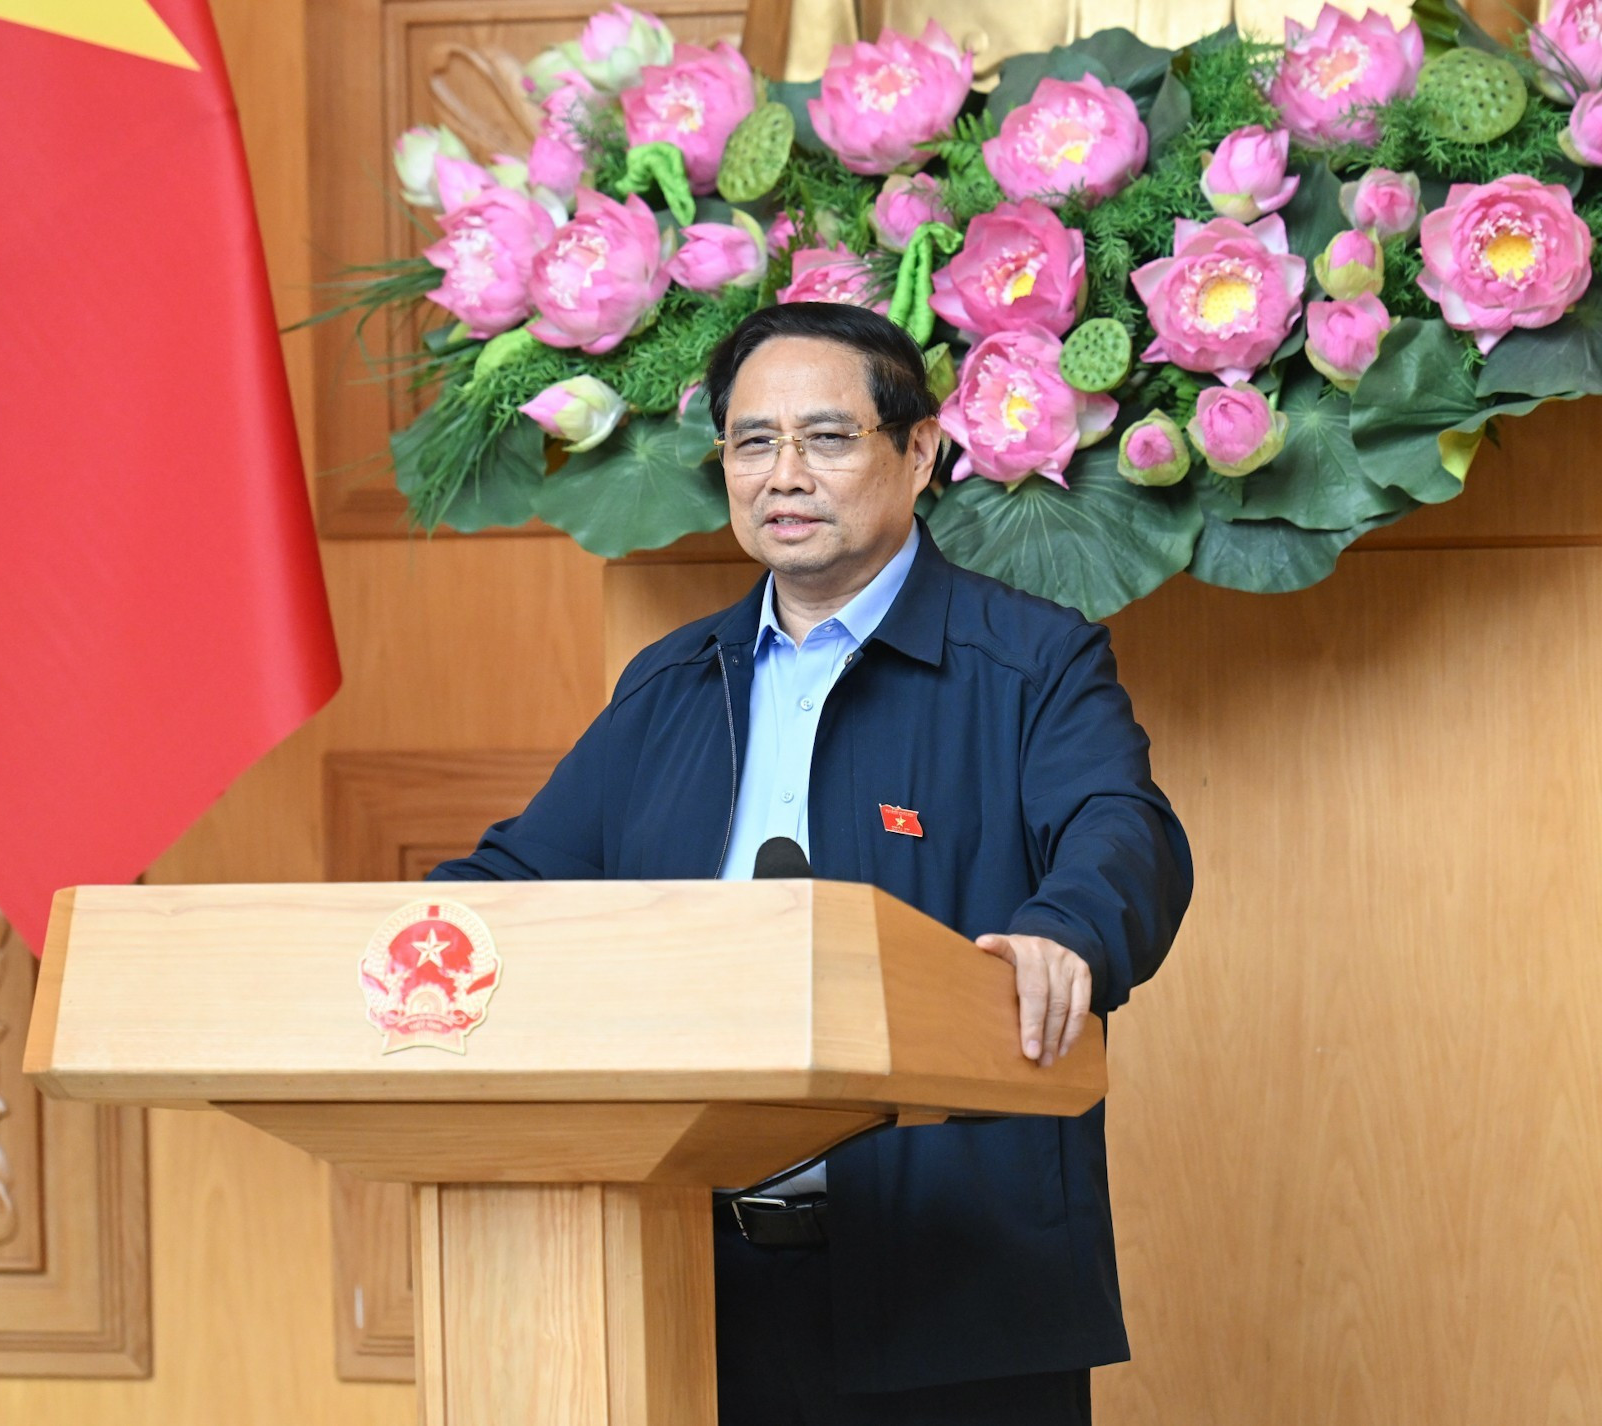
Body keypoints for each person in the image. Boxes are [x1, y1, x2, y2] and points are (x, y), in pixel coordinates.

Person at [429, 301, 1194, 1425]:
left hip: (953, 1283)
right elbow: (516, 881)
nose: (783, 473)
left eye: (827, 437)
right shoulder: (671, 681)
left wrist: (1066, 926)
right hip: (688, 1274)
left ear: (920, 451)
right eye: (752, 441)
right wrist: (391, 951)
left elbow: (1124, 830)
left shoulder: (1032, 661)